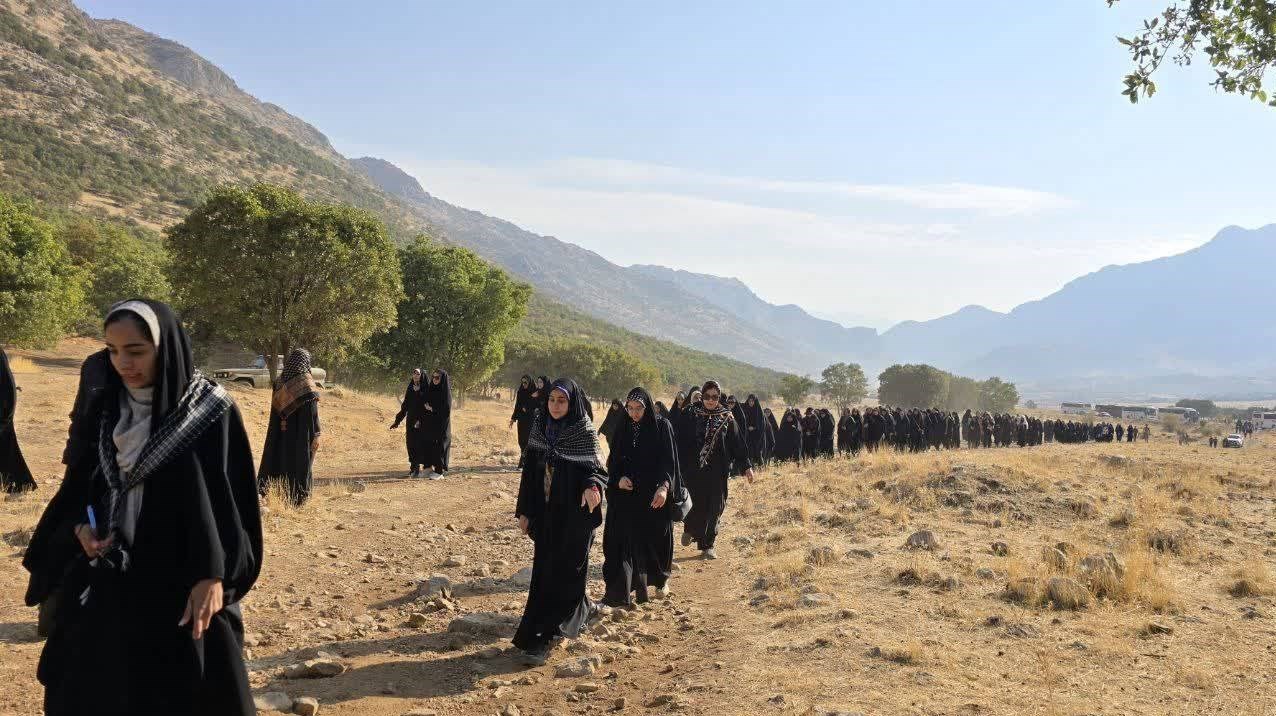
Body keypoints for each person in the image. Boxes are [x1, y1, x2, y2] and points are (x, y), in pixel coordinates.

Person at [22, 299, 262, 715]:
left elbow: (231, 506)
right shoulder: (106, 408)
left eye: (136, 351)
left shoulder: (209, 411)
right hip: (115, 574)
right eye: (112, 351)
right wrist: (81, 528)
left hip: (185, 581)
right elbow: (81, 488)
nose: (122, 364)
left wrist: (214, 575)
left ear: (165, 347)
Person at [513, 379, 606, 665]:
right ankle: (543, 631)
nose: (555, 405)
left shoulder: (584, 431)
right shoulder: (539, 428)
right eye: (552, 399)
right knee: (545, 572)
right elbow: (529, 474)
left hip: (574, 518)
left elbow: (598, 471)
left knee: (569, 571)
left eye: (561, 401)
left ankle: (555, 629)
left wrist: (593, 487)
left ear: (572, 402)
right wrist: (525, 511)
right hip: (546, 515)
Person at [602, 387, 679, 607]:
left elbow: (668, 461)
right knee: (624, 541)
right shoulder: (622, 427)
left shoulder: (661, 427)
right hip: (627, 495)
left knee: (654, 540)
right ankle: (620, 594)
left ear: (648, 407)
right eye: (631, 408)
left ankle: (660, 579)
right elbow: (613, 461)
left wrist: (664, 487)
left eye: (639, 409)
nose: (635, 413)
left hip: (653, 494)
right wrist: (617, 480)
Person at [677, 381, 753, 559]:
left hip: (718, 472)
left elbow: (738, 444)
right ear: (702, 396)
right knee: (696, 505)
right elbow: (678, 440)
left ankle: (708, 545)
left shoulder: (727, 416)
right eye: (707, 396)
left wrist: (746, 466)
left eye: (715, 397)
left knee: (716, 507)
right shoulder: (689, 413)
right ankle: (690, 527)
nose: (711, 400)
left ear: (719, 398)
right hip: (693, 471)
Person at [257, 349, 321, 504]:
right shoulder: (306, 384)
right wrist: (317, 433)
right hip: (300, 434)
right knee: (299, 459)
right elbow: (312, 415)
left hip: (278, 432)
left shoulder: (279, 382)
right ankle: (298, 496)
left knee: (278, 455)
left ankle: (272, 491)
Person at [1, 347, 36, 493]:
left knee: (7, 450)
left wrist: (6, 415)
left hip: (2, 413)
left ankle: (19, 486)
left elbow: (7, 385)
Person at [390, 368, 429, 477]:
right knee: (411, 444)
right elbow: (405, 406)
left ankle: (425, 470)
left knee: (421, 445)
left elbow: (427, 403)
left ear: (422, 375)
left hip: (423, 421)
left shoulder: (426, 388)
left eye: (418, 374)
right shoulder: (410, 387)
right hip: (411, 421)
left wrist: (419, 392)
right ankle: (414, 469)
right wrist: (397, 421)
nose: (416, 375)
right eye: (414, 373)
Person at [421, 369, 452, 479]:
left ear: (442, 378)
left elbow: (446, 410)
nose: (434, 379)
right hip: (431, 424)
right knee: (429, 445)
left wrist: (433, 409)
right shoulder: (431, 389)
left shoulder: (445, 392)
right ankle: (429, 468)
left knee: (440, 446)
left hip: (441, 425)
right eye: (433, 377)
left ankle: (439, 472)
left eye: (437, 377)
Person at [509, 375, 536, 466]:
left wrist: (528, 408)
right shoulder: (520, 392)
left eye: (525, 382)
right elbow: (517, 405)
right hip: (521, 420)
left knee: (528, 440)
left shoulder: (535, 392)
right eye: (522, 382)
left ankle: (523, 461)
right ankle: (523, 458)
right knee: (521, 441)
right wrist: (513, 418)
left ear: (530, 383)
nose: (524, 384)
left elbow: (536, 406)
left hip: (531, 420)